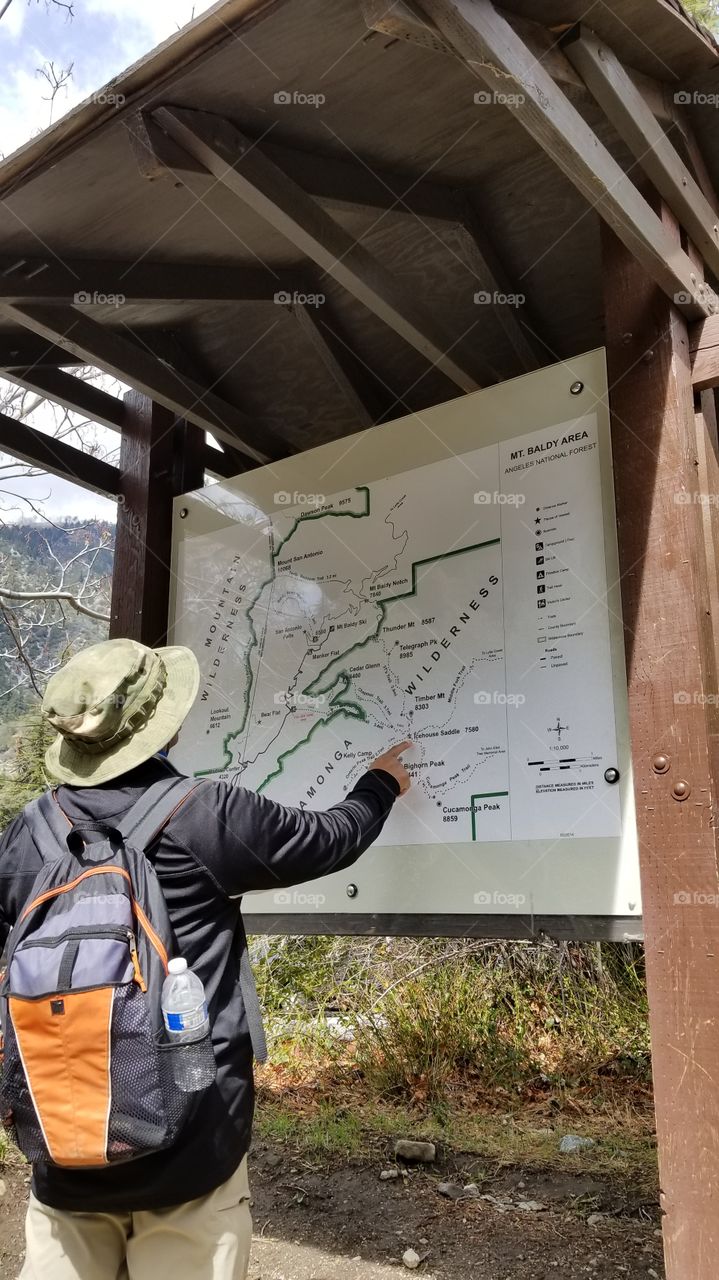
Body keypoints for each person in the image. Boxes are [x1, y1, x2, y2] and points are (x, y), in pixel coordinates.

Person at [0, 637, 412, 1280]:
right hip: (193, 1147)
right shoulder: (203, 815)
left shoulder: (31, 831)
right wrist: (380, 784)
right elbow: (329, 839)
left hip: (64, 1144)